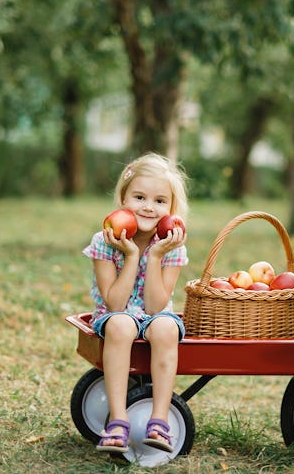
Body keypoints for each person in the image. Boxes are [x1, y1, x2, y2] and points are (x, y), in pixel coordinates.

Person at [82, 152, 189, 454]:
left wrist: (154, 255)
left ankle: (159, 420)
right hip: (115, 315)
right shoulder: (105, 240)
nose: (148, 207)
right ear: (123, 198)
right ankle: (117, 420)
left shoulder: (170, 246)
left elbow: (156, 307)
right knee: (121, 323)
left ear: (171, 208)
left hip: (154, 315)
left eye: (159, 201)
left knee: (167, 327)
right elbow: (115, 303)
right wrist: (131, 255)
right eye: (139, 197)